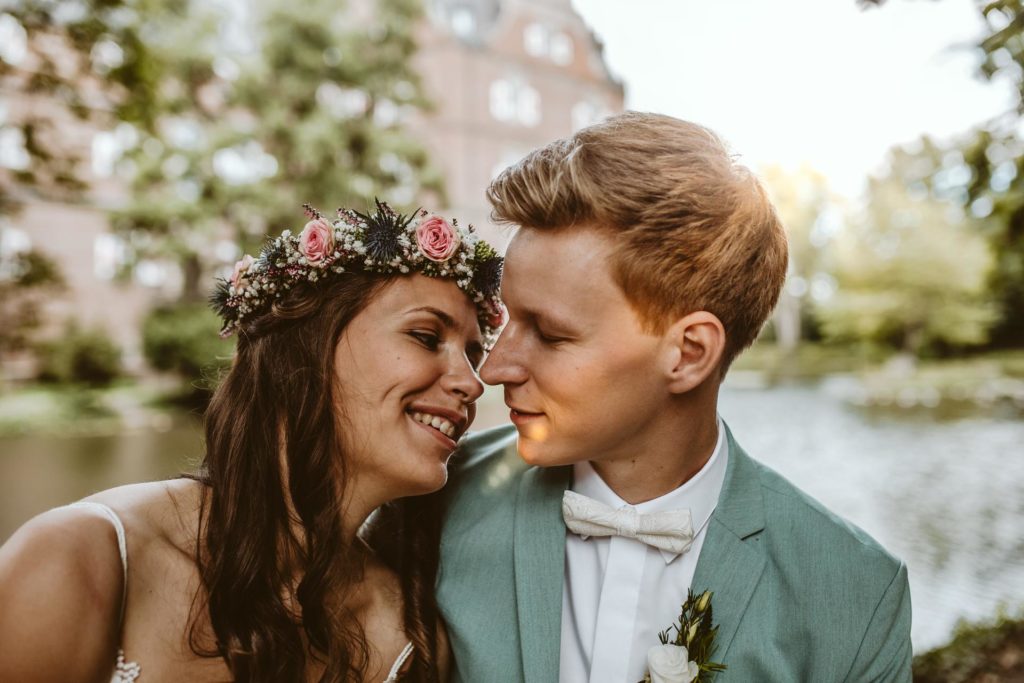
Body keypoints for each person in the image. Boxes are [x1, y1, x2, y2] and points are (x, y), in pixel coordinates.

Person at [436, 112, 912, 682]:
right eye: (508, 321)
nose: (493, 367)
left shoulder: (857, 594)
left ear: (688, 353)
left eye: (551, 333)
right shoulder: (432, 500)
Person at [0, 202, 505, 682]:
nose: (472, 383)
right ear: (304, 347)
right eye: (424, 336)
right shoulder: (81, 559)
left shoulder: (409, 639)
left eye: (473, 354)